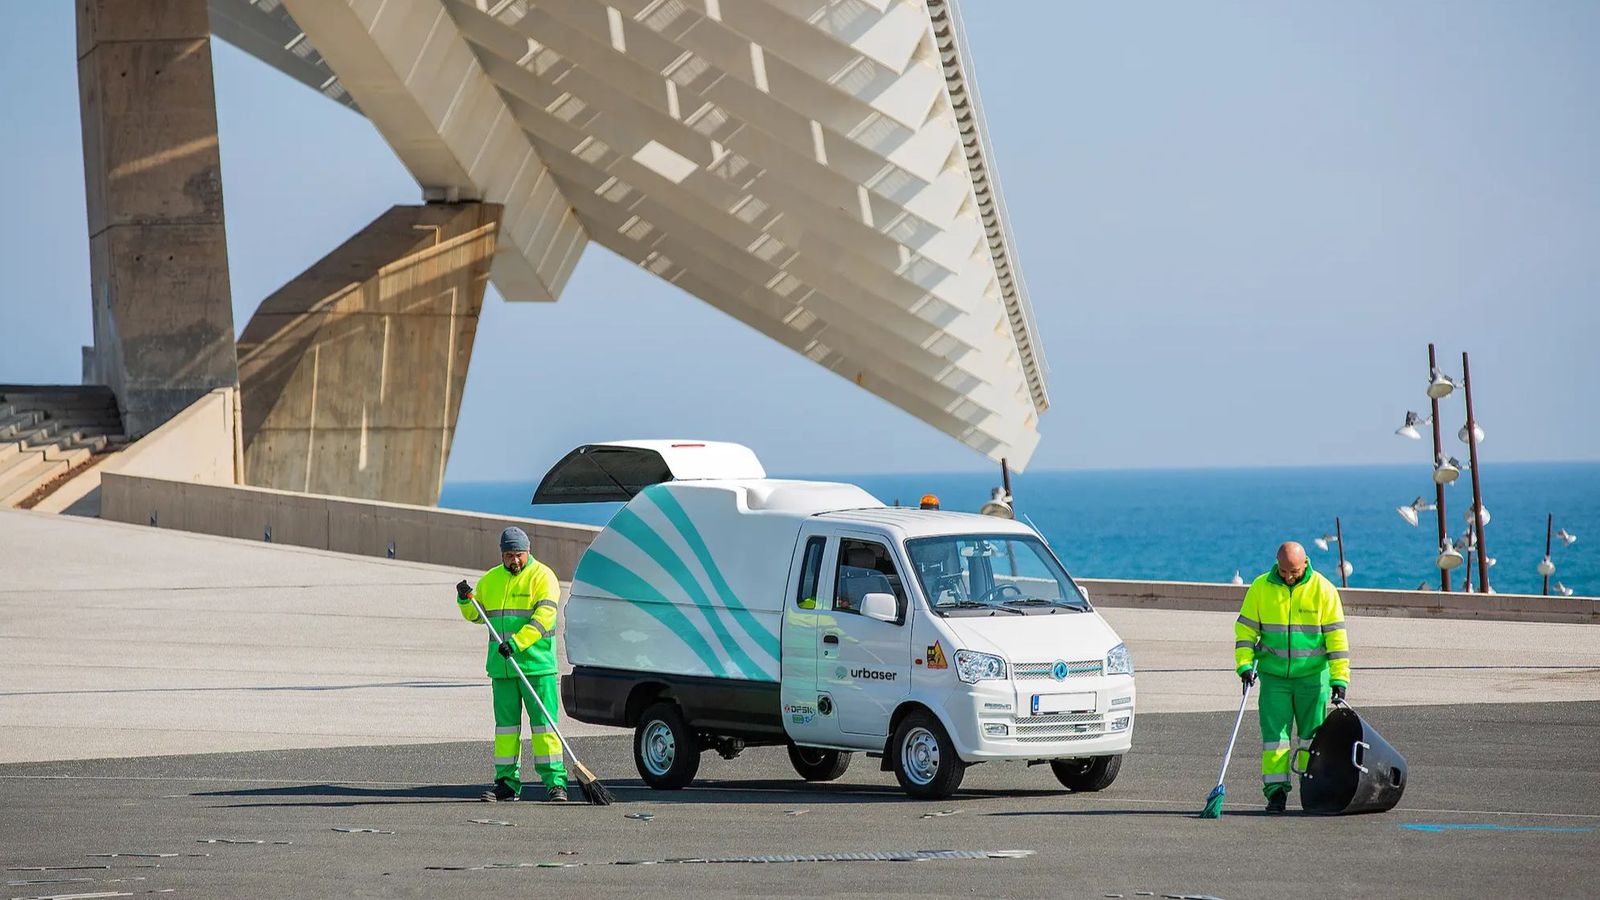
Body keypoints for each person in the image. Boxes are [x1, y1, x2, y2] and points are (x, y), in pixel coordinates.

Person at [1233, 541, 1350, 813]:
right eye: (1284, 571)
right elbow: (1246, 633)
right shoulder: (1260, 588)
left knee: (1314, 740)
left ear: (1305, 563)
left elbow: (1337, 639)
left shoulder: (1323, 590)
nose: (1289, 576)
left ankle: (1314, 791)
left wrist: (1339, 680)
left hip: (1313, 678)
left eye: (1294, 571)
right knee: (1275, 740)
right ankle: (1275, 794)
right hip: (1274, 678)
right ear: (1277, 565)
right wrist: (1244, 666)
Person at [456, 527, 567, 802]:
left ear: (528, 552)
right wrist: (464, 599)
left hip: (536, 666)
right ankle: (506, 782)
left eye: (518, 555)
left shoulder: (543, 577)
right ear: (502, 555)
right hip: (502, 669)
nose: (514, 560)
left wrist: (516, 644)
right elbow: (477, 615)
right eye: (508, 555)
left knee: (544, 726)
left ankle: (555, 783)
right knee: (506, 729)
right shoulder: (491, 580)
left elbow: (545, 619)